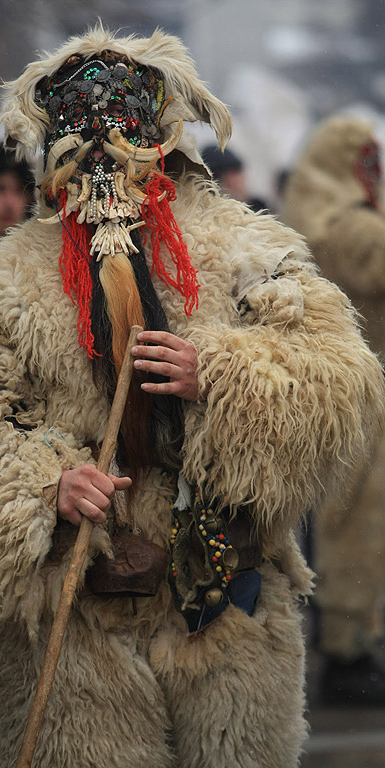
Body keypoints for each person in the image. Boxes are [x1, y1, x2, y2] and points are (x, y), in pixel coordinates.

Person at [0, 27, 385, 768]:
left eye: (120, 144)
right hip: (81, 627)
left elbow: (338, 379)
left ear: (162, 143)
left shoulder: (243, 249)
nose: (101, 167)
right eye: (81, 148)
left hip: (228, 615)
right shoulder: (9, 279)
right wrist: (44, 484)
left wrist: (215, 375)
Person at [281, 114, 385, 706]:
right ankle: (347, 651)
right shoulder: (350, 229)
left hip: (336, 390)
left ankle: (348, 643)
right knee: (355, 526)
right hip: (363, 391)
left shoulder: (311, 222)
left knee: (340, 524)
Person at [201, 143, 269, 211]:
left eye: (237, 173)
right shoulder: (204, 216)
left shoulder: (259, 209)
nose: (239, 181)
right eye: (231, 175)